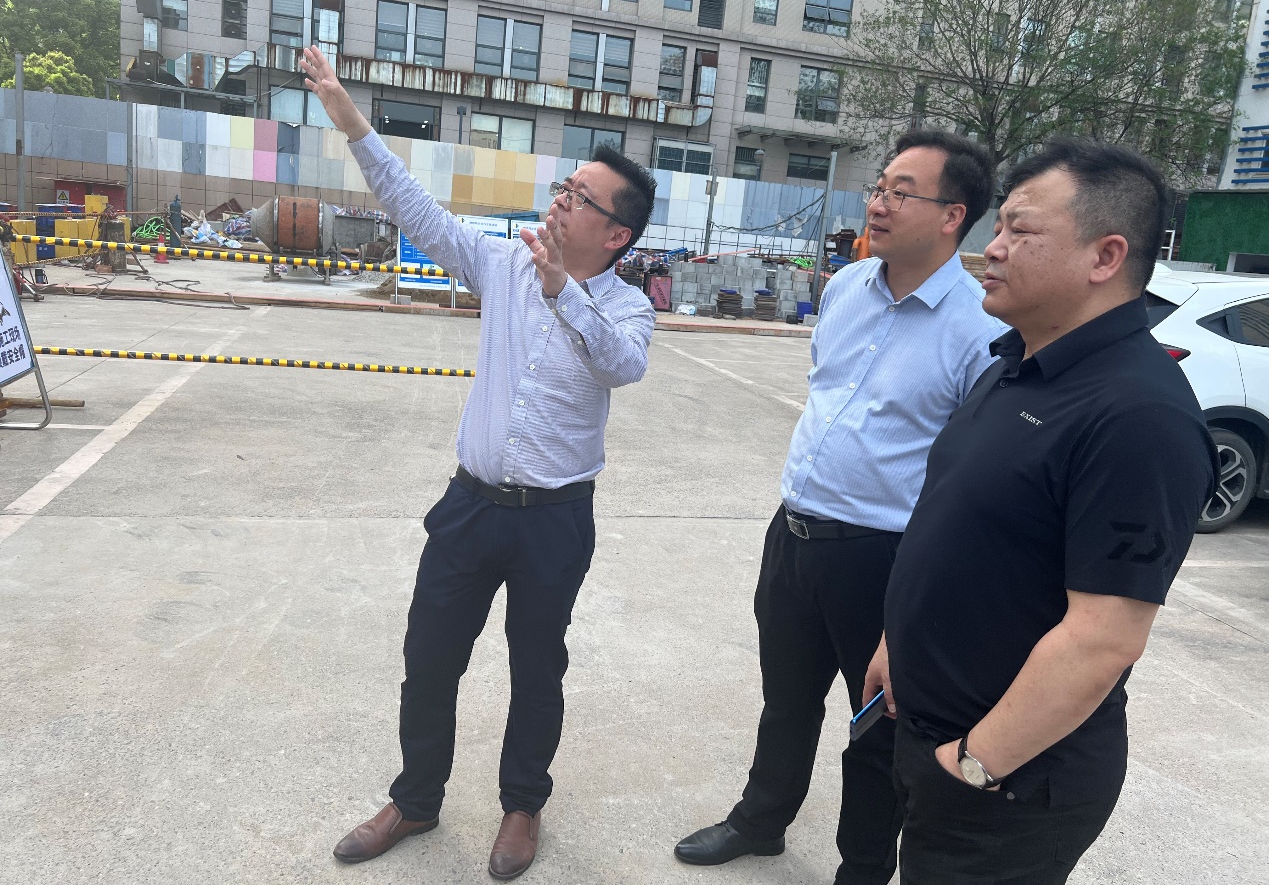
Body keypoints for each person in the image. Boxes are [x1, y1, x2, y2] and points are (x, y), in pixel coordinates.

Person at [298, 45, 657, 881]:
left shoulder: (628, 307)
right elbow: (418, 211)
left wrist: (564, 293)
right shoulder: (501, 264)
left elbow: (622, 367)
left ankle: (521, 806)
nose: (560, 200)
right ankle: (415, 800)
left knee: (537, 669)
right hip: (469, 508)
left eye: (579, 197)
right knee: (429, 658)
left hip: (554, 520)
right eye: (564, 187)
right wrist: (354, 124)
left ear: (615, 233)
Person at [865, 139, 1219, 884]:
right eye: (997, 228)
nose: (991, 249)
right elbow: (959, 527)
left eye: (1020, 232)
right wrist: (899, 641)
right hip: (933, 730)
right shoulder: (1016, 363)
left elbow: (1103, 638)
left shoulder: (1137, 416)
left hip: (1008, 783)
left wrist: (971, 766)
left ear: (1104, 256)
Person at [674, 129, 1004, 885]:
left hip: (881, 558)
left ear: (952, 215)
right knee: (785, 699)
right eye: (878, 187)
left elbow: (963, 481)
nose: (877, 204)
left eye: (900, 193)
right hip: (793, 533)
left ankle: (862, 866)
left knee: (877, 724)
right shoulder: (847, 287)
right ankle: (761, 821)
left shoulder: (979, 330)